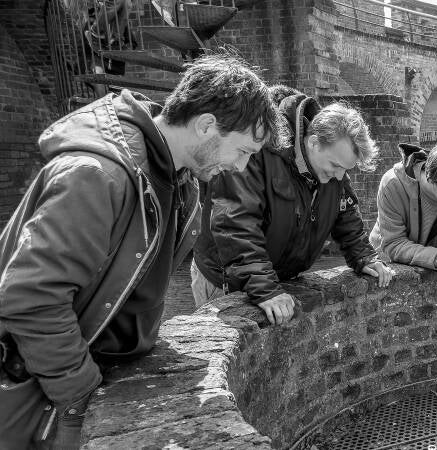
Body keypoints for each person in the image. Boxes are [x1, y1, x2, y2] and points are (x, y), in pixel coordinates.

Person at [0, 54, 278, 449]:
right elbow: (31, 297)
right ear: (206, 126)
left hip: (94, 376)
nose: (241, 166)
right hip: (43, 392)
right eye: (243, 150)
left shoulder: (179, 178)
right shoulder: (98, 174)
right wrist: (79, 393)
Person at [192, 85, 395, 324]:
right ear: (314, 143)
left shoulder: (331, 169)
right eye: (336, 166)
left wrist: (365, 257)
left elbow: (346, 215)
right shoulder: (257, 151)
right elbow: (235, 224)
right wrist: (265, 288)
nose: (340, 177)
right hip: (226, 280)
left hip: (276, 279)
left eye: (345, 170)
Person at [369, 143, 437, 281]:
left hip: (434, 271)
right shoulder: (393, 183)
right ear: (431, 179)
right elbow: (394, 243)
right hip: (387, 269)